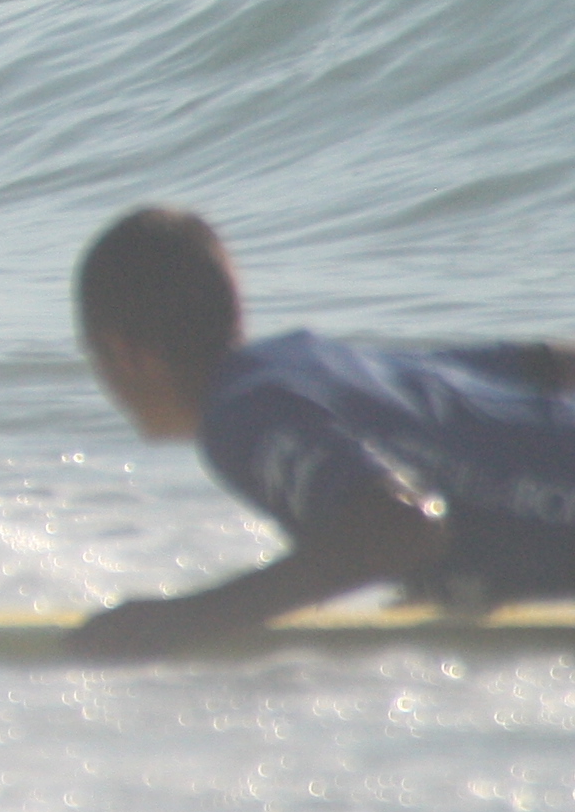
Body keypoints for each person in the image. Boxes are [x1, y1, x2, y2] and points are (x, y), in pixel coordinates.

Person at [66, 203, 575, 660]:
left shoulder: (240, 416)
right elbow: (547, 366)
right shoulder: (324, 364)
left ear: (125, 354)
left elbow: (402, 527)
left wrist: (187, 620)